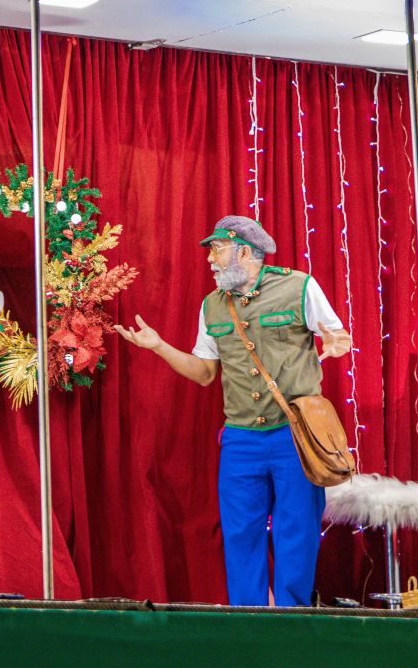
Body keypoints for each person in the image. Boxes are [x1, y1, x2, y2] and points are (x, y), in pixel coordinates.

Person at [115, 215, 352, 606]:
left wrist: (335, 340)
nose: (210, 259)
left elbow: (338, 335)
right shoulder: (212, 306)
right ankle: (249, 616)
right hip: (241, 437)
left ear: (244, 251)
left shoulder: (299, 287)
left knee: (298, 530)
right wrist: (158, 346)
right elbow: (205, 372)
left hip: (294, 432)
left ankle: (293, 616)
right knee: (240, 531)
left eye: (217, 249)